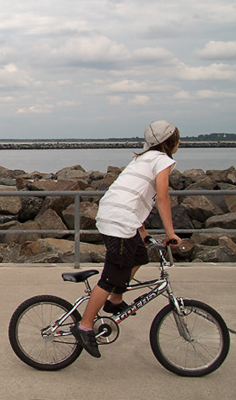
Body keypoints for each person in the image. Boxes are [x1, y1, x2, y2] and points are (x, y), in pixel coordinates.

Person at [71, 120, 181, 358]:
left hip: (118, 216)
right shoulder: (162, 160)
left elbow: (131, 196)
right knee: (112, 275)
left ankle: (114, 300)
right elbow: (162, 197)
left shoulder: (141, 159)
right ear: (171, 142)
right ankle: (85, 326)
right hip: (118, 221)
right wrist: (170, 233)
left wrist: (143, 233)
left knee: (140, 255)